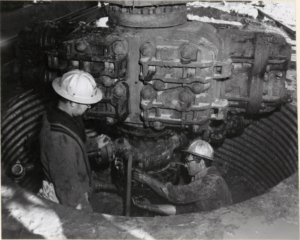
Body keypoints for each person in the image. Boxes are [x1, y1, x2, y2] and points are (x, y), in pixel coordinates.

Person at [39, 69, 109, 212]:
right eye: (87, 104)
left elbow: (76, 140)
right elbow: (69, 193)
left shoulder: (64, 115)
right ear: (72, 102)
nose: (88, 108)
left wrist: (94, 144)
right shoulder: (58, 142)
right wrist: (87, 219)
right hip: (70, 202)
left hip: (81, 188)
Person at [132, 139, 232, 215]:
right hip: (209, 220)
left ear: (201, 163)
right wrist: (149, 206)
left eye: (188, 162)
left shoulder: (211, 182)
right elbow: (181, 210)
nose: (185, 165)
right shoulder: (200, 180)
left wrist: (146, 179)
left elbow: (173, 195)